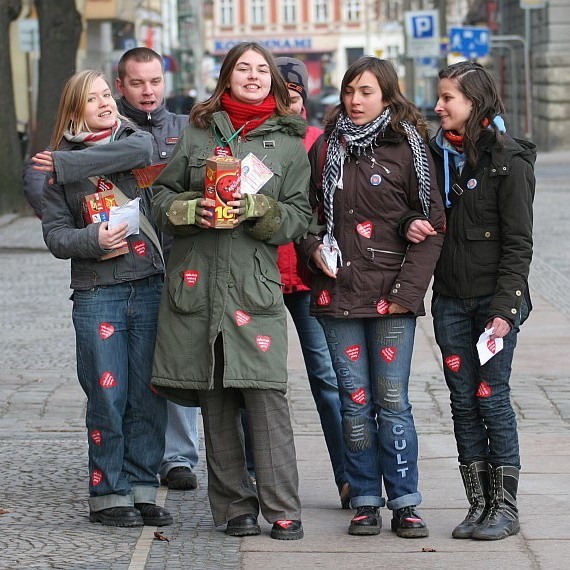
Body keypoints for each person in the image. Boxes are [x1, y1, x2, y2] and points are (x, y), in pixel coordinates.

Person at [149, 42, 311, 540]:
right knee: (215, 397)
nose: (254, 76)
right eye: (244, 68)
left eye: (262, 70)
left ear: (275, 83)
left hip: (253, 288)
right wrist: (185, 210)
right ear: (226, 76)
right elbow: (158, 195)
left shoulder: (288, 141)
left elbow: (300, 218)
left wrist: (261, 211)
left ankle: (283, 507)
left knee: (266, 398)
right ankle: (234, 509)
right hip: (197, 287)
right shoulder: (198, 131)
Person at [297, 56, 445, 538]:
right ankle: (364, 499)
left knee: (392, 400)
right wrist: (314, 247)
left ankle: (404, 500)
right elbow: (307, 217)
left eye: (365, 92)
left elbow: (431, 227)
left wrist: (407, 293)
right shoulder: (325, 148)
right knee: (354, 401)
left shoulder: (410, 149)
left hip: (392, 296)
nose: (354, 101)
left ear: (387, 96)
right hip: (338, 294)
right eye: (349, 91)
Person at [33, 70, 172, 528]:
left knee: (148, 396)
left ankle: (144, 488)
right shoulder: (52, 169)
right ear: (75, 111)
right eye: (92, 99)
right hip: (98, 293)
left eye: (106, 95)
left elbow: (140, 153)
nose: (105, 103)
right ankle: (108, 493)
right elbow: (56, 237)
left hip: (148, 284)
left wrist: (65, 165)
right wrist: (93, 238)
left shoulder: (133, 139)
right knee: (107, 396)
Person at [403, 61, 535, 541]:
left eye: (447, 99)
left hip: (491, 305)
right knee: (461, 401)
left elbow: (519, 243)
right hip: (451, 301)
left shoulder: (510, 160)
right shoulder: (432, 157)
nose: (437, 107)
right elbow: (411, 213)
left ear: (473, 103)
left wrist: (505, 310)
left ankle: (505, 506)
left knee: (491, 398)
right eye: (439, 98)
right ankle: (477, 504)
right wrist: (407, 225)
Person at [115, 47, 201, 492]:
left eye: (154, 82)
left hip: (181, 261)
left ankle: (180, 457)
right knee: (134, 366)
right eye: (137, 83)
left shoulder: (187, 130)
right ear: (120, 86)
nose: (147, 92)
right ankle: (134, 454)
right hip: (127, 266)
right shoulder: (109, 132)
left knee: (179, 360)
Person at [274, 56, 349, 508]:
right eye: (277, 94)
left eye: (293, 93)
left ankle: (350, 475)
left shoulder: (320, 142)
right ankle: (254, 478)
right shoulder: (247, 142)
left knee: (327, 376)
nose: (286, 101)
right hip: (258, 276)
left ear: (303, 98)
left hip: (308, 277)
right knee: (254, 382)